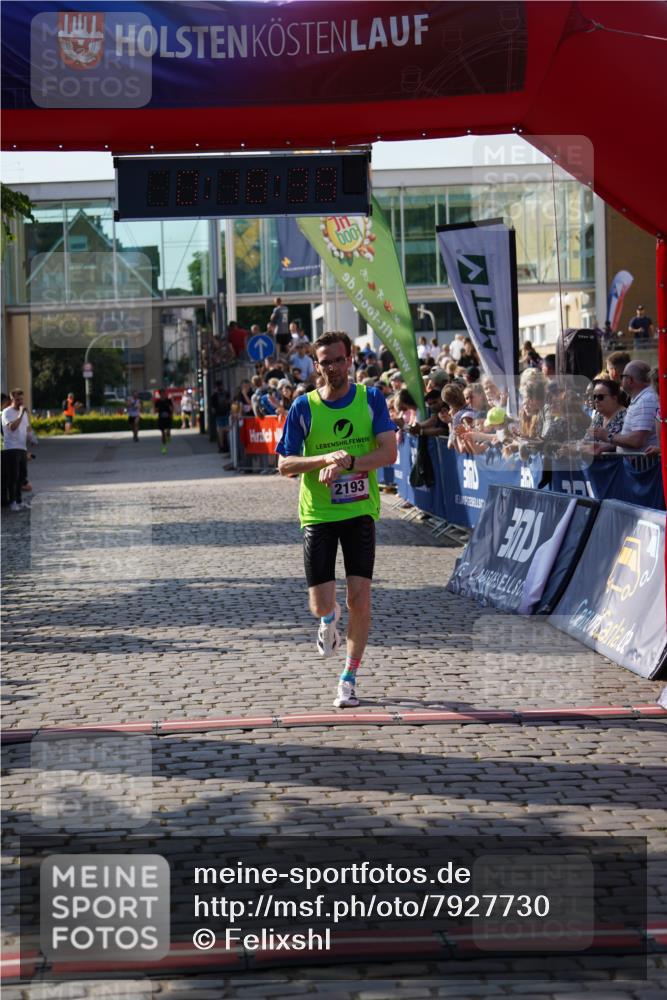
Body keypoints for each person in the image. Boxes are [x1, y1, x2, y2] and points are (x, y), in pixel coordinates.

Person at [276, 332, 397, 709]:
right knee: (320, 605)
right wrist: (324, 461)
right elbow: (284, 465)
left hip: (360, 510)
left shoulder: (371, 398)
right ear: (317, 366)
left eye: (339, 359)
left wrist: (350, 463)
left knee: (360, 598)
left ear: (351, 360)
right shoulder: (304, 407)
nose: (333, 367)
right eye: (325, 361)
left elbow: (389, 452)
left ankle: (349, 676)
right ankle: (329, 618)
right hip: (318, 513)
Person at [593, 360, 658, 453]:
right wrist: (604, 446)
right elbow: (628, 438)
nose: (620, 380)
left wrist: (608, 436)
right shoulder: (641, 398)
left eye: (622, 377)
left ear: (629, 380)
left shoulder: (645, 400)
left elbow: (637, 440)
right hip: (636, 465)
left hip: (642, 466)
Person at [1, 388, 33, 511]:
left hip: (22, 448)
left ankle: (19, 501)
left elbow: (27, 428)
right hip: (11, 448)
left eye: (21, 399)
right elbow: (12, 427)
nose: (20, 401)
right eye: (18, 399)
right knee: (13, 476)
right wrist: (20, 414)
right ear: (12, 399)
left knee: (22, 476)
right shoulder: (6, 412)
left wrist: (32, 438)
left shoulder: (23, 413)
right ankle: (12, 501)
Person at [584, 379, 626, 453]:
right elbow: (587, 439)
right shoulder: (599, 416)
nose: (596, 400)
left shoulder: (625, 416)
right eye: (594, 397)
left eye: (600, 397)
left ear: (614, 398)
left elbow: (618, 443)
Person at [209, 381, 231, 452]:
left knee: (220, 431)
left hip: (219, 415)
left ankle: (221, 446)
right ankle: (229, 445)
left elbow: (212, 408)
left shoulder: (214, 395)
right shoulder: (226, 393)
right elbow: (229, 402)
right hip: (226, 414)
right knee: (228, 430)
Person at [154, 389, 174, 454]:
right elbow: (155, 410)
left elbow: (172, 408)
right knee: (163, 433)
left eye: (164, 393)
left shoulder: (168, 400)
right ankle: (164, 448)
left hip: (168, 418)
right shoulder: (158, 401)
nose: (163, 395)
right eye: (162, 393)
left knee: (168, 431)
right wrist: (157, 408)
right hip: (161, 418)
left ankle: (168, 434)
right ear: (160, 394)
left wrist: (170, 410)